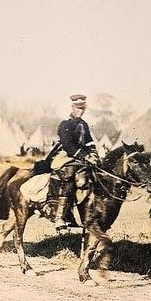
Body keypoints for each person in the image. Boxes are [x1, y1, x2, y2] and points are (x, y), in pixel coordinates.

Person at [44, 94, 100, 231]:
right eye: (77, 108)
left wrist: (93, 154)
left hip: (81, 157)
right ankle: (60, 216)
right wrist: (84, 156)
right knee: (70, 174)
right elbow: (68, 145)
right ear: (72, 107)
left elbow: (89, 141)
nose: (80, 111)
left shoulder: (84, 124)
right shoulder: (65, 124)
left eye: (82, 108)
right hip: (66, 156)